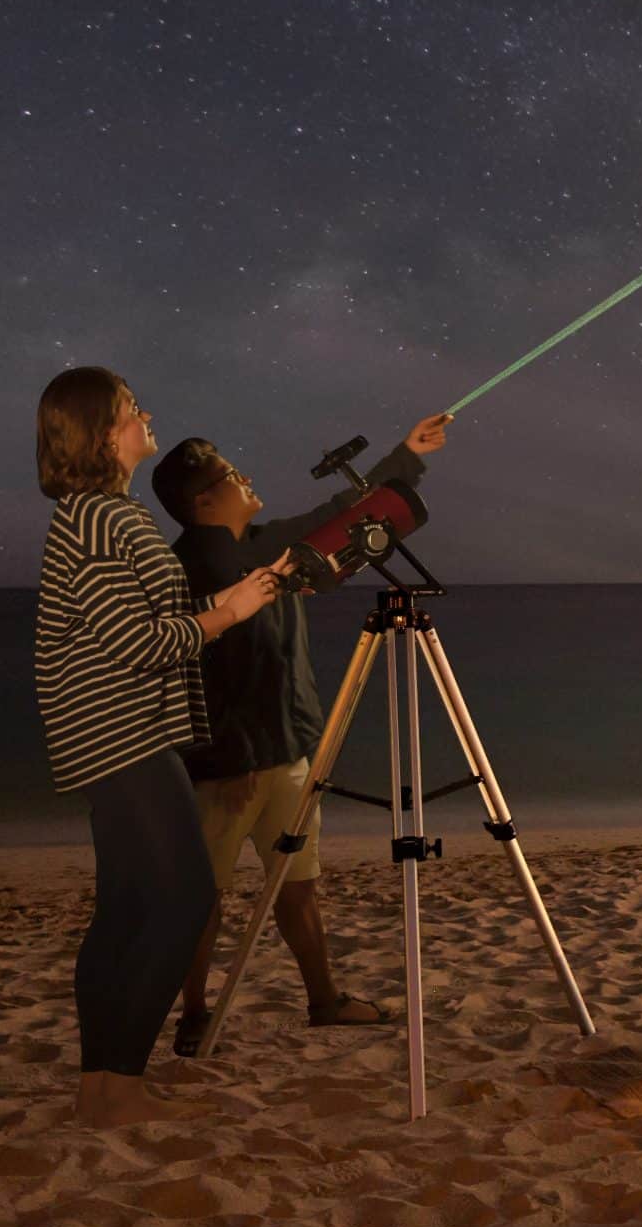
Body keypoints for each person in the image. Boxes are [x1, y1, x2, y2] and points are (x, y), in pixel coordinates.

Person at [33, 367, 289, 1129]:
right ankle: (120, 1080)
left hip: (110, 733)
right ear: (101, 432)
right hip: (123, 735)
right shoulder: (102, 518)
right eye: (130, 409)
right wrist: (230, 611)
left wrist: (244, 594)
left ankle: (100, 1090)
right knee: (184, 900)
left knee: (124, 911)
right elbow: (137, 642)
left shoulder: (100, 513)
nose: (147, 414)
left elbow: (157, 617)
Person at [150, 413, 453, 1055]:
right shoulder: (184, 571)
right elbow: (181, 677)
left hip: (288, 750)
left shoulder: (264, 544)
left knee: (298, 883)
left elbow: (341, 510)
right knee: (202, 897)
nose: (245, 476)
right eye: (231, 475)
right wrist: (223, 762)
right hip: (228, 769)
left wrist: (408, 453)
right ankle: (195, 1016)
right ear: (204, 500)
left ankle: (323, 1000)